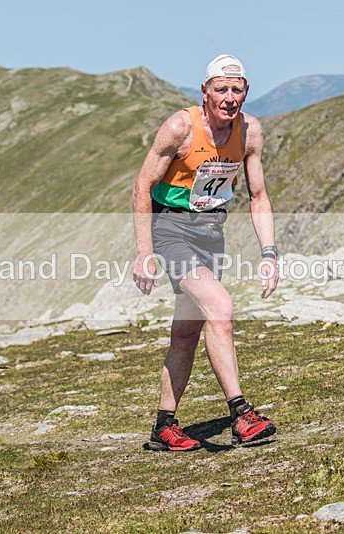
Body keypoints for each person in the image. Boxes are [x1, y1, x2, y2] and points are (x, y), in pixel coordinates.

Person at [132, 54, 280, 451]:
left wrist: (269, 254)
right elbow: (142, 186)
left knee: (186, 332)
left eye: (237, 90)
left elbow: (259, 195)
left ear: (246, 91)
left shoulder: (249, 133)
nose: (229, 98)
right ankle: (242, 415)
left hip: (211, 233)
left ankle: (164, 427)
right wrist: (145, 250)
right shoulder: (180, 128)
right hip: (171, 230)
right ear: (205, 92)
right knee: (219, 307)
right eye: (221, 89)